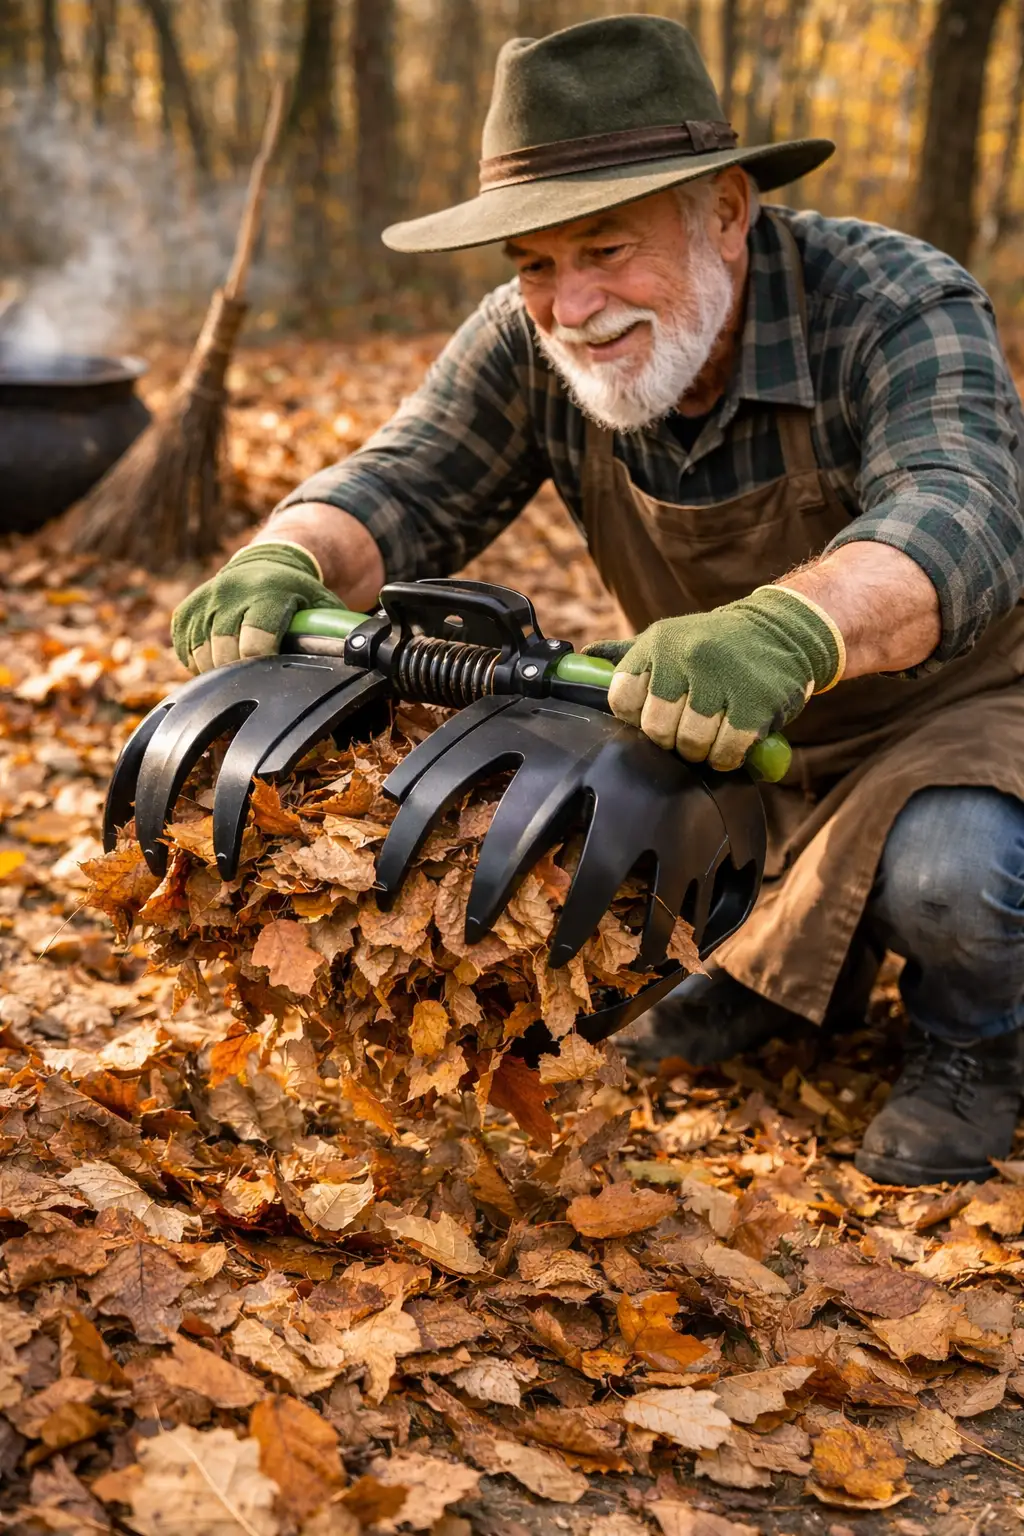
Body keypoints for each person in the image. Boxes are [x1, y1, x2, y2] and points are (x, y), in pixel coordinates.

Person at [171, 15, 1024, 1187]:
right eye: (534, 263)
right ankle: (770, 983)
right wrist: (290, 554)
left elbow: (959, 508)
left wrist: (788, 627)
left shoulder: (892, 302)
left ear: (725, 211)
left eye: (607, 249)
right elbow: (403, 479)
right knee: (574, 813)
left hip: (964, 718)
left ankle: (973, 1044)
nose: (570, 305)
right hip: (732, 739)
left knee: (948, 873)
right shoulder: (527, 340)